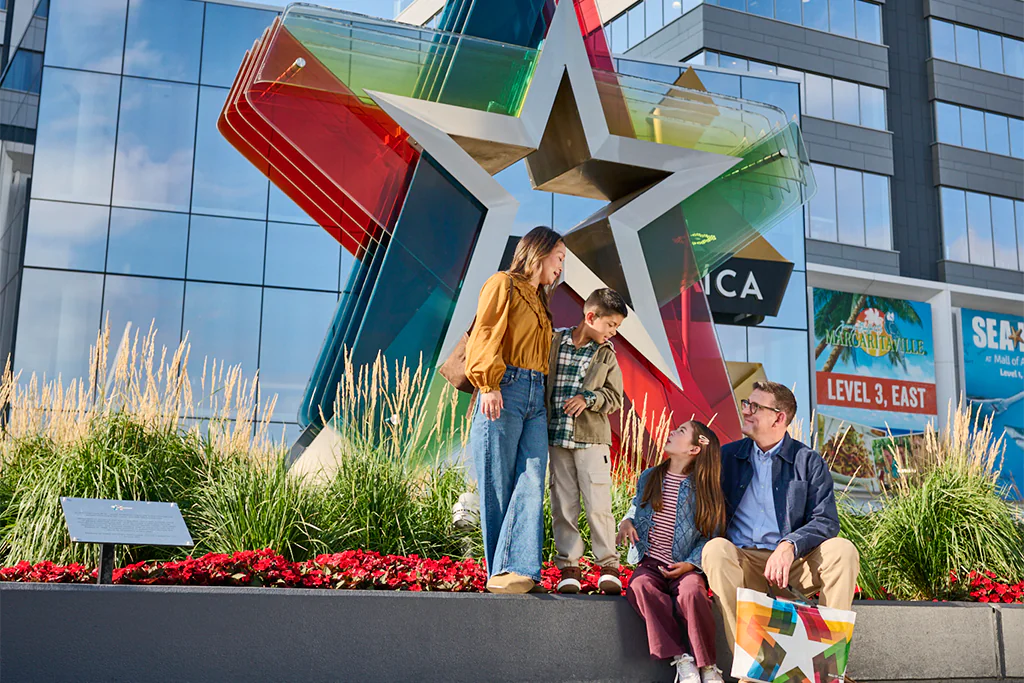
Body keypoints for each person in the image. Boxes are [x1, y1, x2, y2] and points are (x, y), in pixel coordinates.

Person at [702, 381, 860, 653]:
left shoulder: (808, 461)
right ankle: (751, 667)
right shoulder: (726, 457)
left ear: (779, 417)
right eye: (746, 404)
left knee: (842, 550)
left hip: (792, 566)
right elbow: (699, 507)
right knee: (715, 550)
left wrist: (789, 545)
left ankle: (826, 663)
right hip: (744, 564)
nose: (746, 411)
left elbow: (826, 520)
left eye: (755, 406)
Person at [465, 226, 565, 594]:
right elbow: (486, 332)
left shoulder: (540, 301)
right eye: (559, 257)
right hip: (503, 387)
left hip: (535, 395)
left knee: (532, 478)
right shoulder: (502, 284)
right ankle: (505, 572)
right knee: (498, 483)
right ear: (539, 252)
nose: (561, 267)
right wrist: (488, 384)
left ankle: (519, 568)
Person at [617, 421, 727, 683]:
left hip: (685, 564)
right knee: (640, 586)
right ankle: (681, 658)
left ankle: (708, 665)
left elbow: (713, 537)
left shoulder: (706, 490)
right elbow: (635, 507)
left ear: (694, 449)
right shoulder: (650, 476)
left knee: (692, 593)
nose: (671, 432)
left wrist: (691, 564)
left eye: (680, 432)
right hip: (651, 561)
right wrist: (626, 521)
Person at [546, 288, 628, 595]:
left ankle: (608, 565)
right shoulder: (554, 342)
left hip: (591, 441)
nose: (613, 332)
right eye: (611, 325)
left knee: (598, 504)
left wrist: (589, 398)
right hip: (557, 438)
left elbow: (615, 397)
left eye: (617, 327)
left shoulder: (606, 355)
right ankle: (570, 567)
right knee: (563, 504)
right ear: (590, 316)